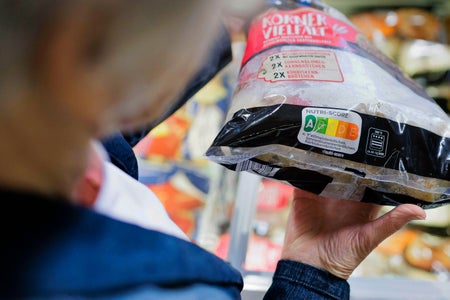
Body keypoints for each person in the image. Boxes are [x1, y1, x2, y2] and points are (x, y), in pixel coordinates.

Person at [0, 1, 426, 299]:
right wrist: (316, 280)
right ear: (76, 43)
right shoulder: (156, 292)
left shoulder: (35, 138)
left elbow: (82, 123)